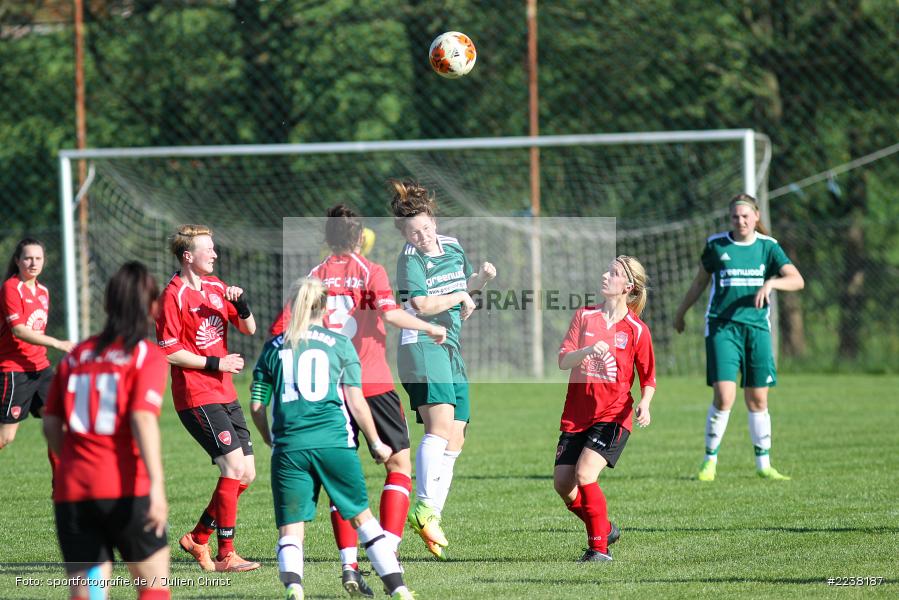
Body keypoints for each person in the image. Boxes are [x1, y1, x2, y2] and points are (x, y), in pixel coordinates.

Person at [270, 204, 446, 596]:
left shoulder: (312, 278)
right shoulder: (371, 271)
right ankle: (390, 552)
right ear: (359, 234)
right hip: (371, 382)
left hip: (328, 392)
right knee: (399, 465)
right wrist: (429, 326)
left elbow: (280, 331)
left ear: (326, 236)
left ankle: (349, 566)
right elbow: (393, 315)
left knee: (339, 479)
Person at [251, 277, 416, 600]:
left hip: (289, 448)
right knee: (364, 519)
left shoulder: (273, 347)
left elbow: (257, 404)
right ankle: (399, 589)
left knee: (291, 530)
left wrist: (269, 438)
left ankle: (295, 588)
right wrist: (375, 441)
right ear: (325, 308)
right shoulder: (339, 344)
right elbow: (355, 401)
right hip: (335, 443)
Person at [43, 261, 170, 599]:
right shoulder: (145, 355)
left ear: (106, 304)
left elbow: (51, 423)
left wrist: (73, 460)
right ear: (153, 306)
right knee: (153, 588)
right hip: (126, 489)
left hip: (74, 492)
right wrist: (157, 486)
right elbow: (142, 418)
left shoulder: (76, 356)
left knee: (88, 595)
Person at [389, 179, 496, 560]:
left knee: (457, 435)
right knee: (439, 427)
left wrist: (479, 280)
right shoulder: (409, 258)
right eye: (413, 231)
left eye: (425, 227)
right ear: (405, 233)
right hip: (421, 346)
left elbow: (463, 288)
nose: (422, 235)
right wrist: (461, 295)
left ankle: (431, 514)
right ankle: (422, 507)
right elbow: (420, 303)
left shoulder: (451, 245)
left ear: (433, 219)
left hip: (449, 348)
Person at [674, 194, 804, 481]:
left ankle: (764, 465)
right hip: (723, 327)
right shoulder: (717, 245)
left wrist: (771, 283)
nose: (741, 221)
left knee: (758, 398)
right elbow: (699, 282)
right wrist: (681, 312)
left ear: (757, 216)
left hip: (757, 329)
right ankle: (709, 462)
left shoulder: (768, 248)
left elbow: (797, 279)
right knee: (724, 395)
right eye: (736, 216)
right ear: (730, 218)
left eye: (746, 216)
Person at [155, 224, 260, 572]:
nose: (215, 254)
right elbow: (169, 352)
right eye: (208, 249)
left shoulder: (217, 287)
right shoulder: (172, 295)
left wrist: (241, 304)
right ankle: (225, 554)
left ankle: (198, 538)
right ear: (188, 256)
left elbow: (249, 329)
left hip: (225, 392)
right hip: (196, 395)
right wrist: (218, 362)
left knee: (246, 475)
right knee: (232, 467)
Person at [554, 255, 656, 562]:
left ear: (628, 287)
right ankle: (604, 528)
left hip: (614, 415)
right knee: (563, 484)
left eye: (613, 274)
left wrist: (646, 404)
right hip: (577, 413)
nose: (605, 276)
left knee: (586, 474)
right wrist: (585, 351)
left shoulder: (637, 330)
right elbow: (563, 360)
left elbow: (648, 377)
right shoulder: (585, 316)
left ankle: (599, 551)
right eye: (607, 270)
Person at [1, 238, 75, 450]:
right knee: (6, 437)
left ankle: (60, 483)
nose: (33, 263)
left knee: (59, 426)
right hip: (14, 370)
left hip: (40, 368)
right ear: (17, 261)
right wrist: (58, 343)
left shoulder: (43, 291)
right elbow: (19, 330)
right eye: (28, 258)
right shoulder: (11, 288)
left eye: (38, 258)